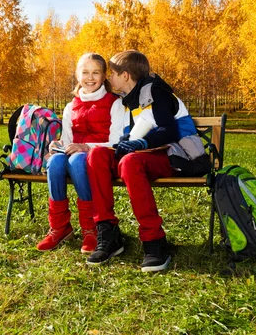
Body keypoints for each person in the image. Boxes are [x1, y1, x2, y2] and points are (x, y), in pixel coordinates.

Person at [85, 50, 209, 272]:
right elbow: (131, 136)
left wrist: (140, 144)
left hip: (178, 155)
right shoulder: (127, 101)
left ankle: (155, 241)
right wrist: (127, 142)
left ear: (125, 75)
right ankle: (108, 233)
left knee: (130, 162)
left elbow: (168, 130)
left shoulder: (156, 91)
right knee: (97, 156)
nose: (108, 78)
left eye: (112, 73)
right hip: (146, 156)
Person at [37, 53, 124, 253]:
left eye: (96, 73)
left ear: (104, 77)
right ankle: (59, 227)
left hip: (100, 158)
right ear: (77, 76)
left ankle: (90, 228)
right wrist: (57, 145)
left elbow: (117, 141)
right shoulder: (71, 106)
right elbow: (68, 140)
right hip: (74, 155)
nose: (90, 77)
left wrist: (86, 147)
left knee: (77, 160)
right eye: (85, 72)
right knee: (56, 162)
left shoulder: (114, 103)